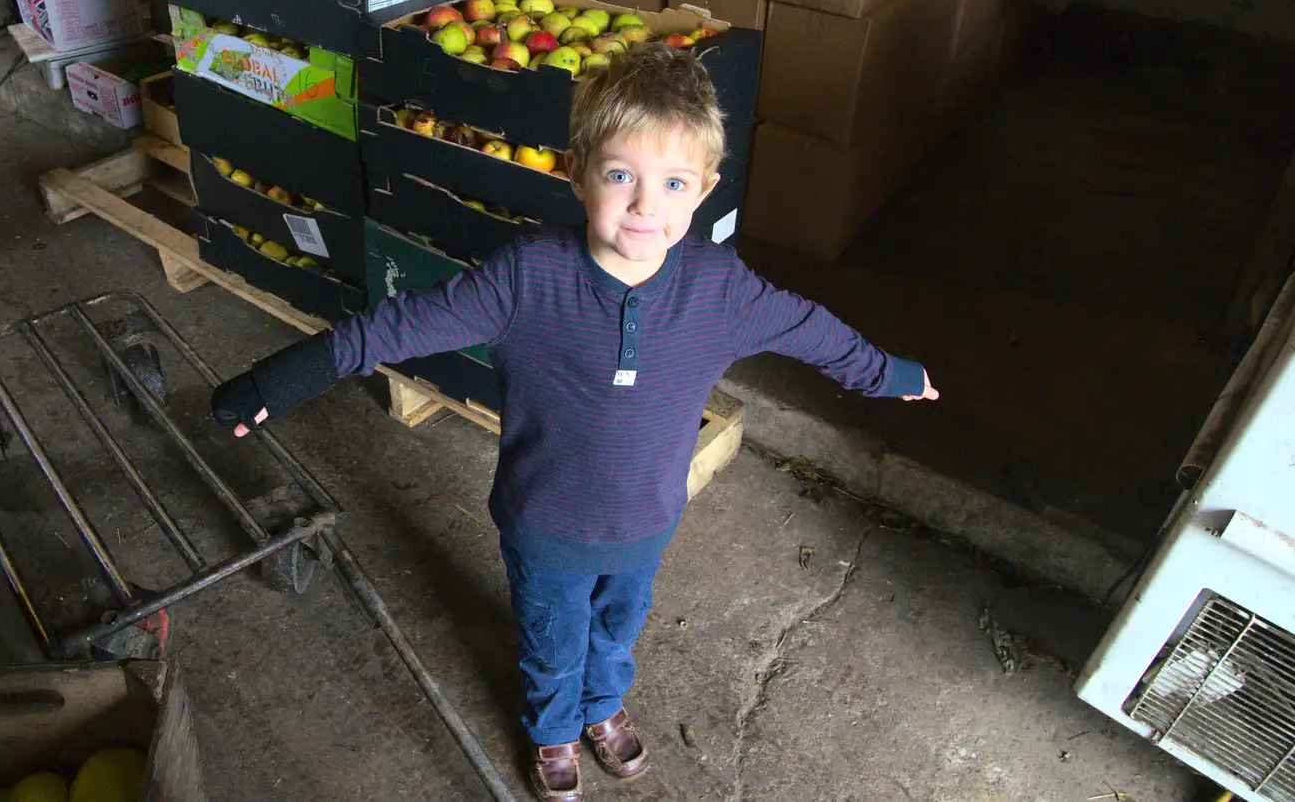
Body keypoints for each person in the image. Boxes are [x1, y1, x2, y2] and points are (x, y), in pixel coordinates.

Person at [211, 43, 938, 801]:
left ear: (706, 190)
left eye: (673, 182)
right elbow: (393, 327)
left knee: (618, 630)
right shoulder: (528, 280)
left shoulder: (722, 290)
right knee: (553, 639)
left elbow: (810, 329)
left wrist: (887, 373)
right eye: (621, 175)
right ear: (578, 171)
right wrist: (278, 378)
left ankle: (601, 705)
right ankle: (555, 725)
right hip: (545, 524)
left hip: (647, 520)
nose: (645, 206)